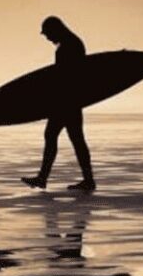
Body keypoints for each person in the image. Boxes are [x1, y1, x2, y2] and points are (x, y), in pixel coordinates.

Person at [23, 16, 96, 192]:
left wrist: (51, 101)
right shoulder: (72, 43)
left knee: (55, 135)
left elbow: (65, 77)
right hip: (72, 100)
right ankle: (88, 180)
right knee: (75, 139)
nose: (47, 38)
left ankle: (43, 178)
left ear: (56, 30)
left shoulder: (68, 46)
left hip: (66, 101)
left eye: (47, 34)